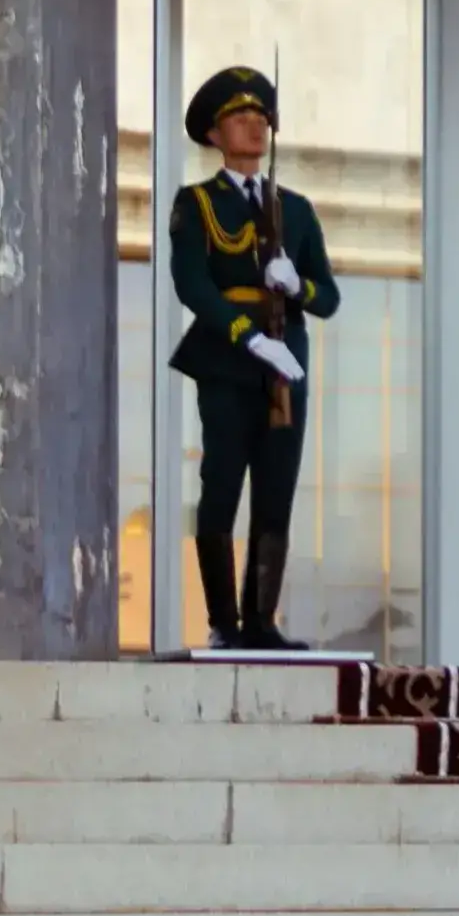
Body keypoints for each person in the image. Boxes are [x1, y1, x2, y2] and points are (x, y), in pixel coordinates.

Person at [163, 65, 343, 651]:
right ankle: (224, 624)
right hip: (228, 359)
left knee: (276, 487)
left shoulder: (295, 209)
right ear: (214, 134)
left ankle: (261, 622)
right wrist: (248, 335)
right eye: (241, 116)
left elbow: (329, 297)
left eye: (262, 117)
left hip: (285, 364)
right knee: (221, 486)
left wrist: (296, 288)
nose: (256, 125)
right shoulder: (197, 204)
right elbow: (193, 285)